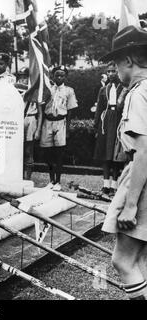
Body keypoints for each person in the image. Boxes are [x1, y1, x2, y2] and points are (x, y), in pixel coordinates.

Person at [101, 25, 147, 300]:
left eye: (116, 63)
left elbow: (144, 151)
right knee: (140, 260)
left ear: (128, 60)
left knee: (123, 261)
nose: (116, 70)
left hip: (144, 181)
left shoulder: (138, 93)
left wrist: (130, 204)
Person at [40, 66, 78, 191]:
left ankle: (58, 181)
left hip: (60, 122)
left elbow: (70, 111)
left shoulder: (69, 91)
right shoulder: (48, 89)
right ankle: (51, 180)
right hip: (47, 122)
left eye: (62, 75)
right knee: (47, 152)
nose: (59, 77)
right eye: (57, 75)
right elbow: (42, 106)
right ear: (53, 76)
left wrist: (67, 130)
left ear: (65, 77)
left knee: (59, 153)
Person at [94, 62, 125, 196]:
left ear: (118, 72)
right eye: (109, 71)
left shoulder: (124, 88)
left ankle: (115, 184)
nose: (111, 74)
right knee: (105, 153)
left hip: (118, 120)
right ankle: (106, 184)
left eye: (113, 71)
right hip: (105, 122)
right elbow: (99, 109)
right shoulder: (103, 89)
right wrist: (96, 126)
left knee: (115, 153)